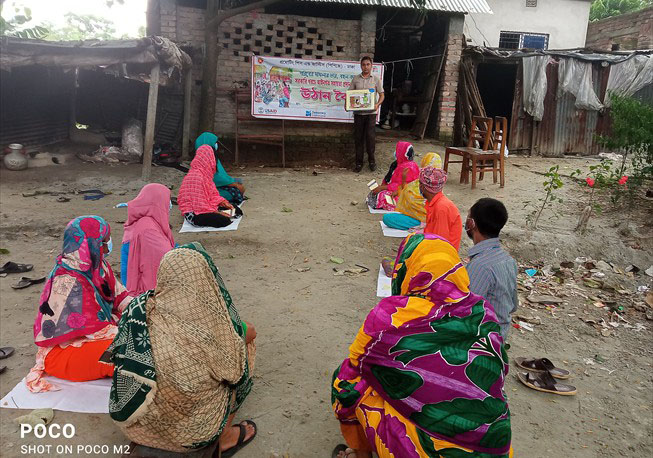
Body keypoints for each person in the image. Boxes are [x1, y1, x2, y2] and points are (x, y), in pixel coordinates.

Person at [331, 233, 512, 458]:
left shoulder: (391, 316)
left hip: (435, 451)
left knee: (347, 383)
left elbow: (354, 367)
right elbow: (501, 369)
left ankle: (362, 454)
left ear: (407, 268)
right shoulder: (482, 310)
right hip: (494, 446)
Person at [109, 243, 257, 456]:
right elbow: (233, 371)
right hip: (191, 434)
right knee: (242, 353)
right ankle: (223, 438)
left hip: (135, 424)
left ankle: (151, 433)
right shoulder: (213, 325)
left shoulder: (138, 308)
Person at [26, 216, 133, 393]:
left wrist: (142, 311)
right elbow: (94, 329)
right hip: (63, 352)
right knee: (129, 350)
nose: (107, 247)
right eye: (103, 242)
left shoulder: (98, 267)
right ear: (90, 244)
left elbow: (121, 297)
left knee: (137, 338)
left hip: (92, 339)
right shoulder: (67, 281)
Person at [465, 198, 518, 340]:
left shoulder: (481, 266)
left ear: (471, 224)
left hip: (484, 339)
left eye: (468, 218)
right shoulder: (508, 260)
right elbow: (513, 306)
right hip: (501, 332)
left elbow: (465, 312)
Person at [120, 183, 175, 295]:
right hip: (142, 289)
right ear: (157, 202)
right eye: (167, 200)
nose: (168, 204)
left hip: (129, 279)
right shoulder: (147, 229)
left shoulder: (147, 222)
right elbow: (166, 256)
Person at [178, 144, 236, 228]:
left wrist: (223, 202)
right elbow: (199, 206)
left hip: (206, 207)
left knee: (235, 210)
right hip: (194, 213)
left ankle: (220, 212)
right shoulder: (196, 176)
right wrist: (216, 212)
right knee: (223, 220)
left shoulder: (205, 174)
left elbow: (212, 195)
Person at [383, 152, 442, 230]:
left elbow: (406, 194)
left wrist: (403, 181)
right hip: (435, 221)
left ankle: (424, 225)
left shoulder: (420, 181)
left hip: (419, 220)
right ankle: (428, 225)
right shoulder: (439, 184)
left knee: (387, 218)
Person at [347, 56, 384, 173]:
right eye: (364, 65)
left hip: (371, 114)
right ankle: (358, 163)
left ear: (371, 66)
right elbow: (350, 94)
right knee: (358, 138)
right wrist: (347, 104)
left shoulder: (376, 80)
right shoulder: (355, 79)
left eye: (368, 64)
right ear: (361, 66)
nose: (366, 67)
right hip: (358, 114)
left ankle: (372, 162)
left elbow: (382, 94)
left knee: (370, 138)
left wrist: (377, 104)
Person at [195, 132, 246, 205]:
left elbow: (221, 176)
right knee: (235, 191)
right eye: (215, 142)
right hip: (205, 191)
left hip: (210, 188)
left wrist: (231, 182)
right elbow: (215, 179)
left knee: (238, 185)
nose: (216, 144)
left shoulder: (201, 159)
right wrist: (233, 184)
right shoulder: (207, 161)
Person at [366, 142, 419, 211]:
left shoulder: (410, 167)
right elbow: (389, 178)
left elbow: (402, 185)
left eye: (397, 150)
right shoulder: (397, 163)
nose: (396, 152)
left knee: (382, 196)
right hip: (395, 189)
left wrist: (383, 188)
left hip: (405, 193)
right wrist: (382, 186)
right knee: (376, 191)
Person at [420, 166, 462, 250]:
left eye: (419, 183)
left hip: (442, 256)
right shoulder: (436, 203)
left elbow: (439, 243)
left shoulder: (441, 208)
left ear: (423, 187)